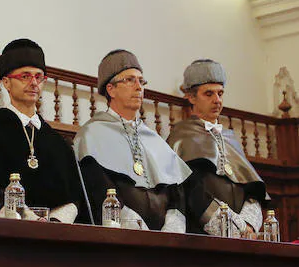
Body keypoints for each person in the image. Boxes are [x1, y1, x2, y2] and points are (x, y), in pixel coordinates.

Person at [0, 39, 83, 221]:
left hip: (53, 237)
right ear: (6, 82)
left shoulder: (57, 142)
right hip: (2, 235)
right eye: (25, 76)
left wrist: (52, 223)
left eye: (39, 77)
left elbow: (73, 198)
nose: (34, 83)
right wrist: (28, 220)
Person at [73, 50, 190, 231]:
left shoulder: (154, 139)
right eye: (129, 80)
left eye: (141, 81)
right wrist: (133, 225)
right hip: (122, 238)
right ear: (110, 89)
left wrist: (172, 227)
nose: (139, 87)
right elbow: (98, 187)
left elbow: (176, 192)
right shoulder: (92, 134)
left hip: (166, 243)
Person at [167, 59, 268, 236]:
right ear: (191, 97)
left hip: (243, 234)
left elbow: (251, 188)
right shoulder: (181, 136)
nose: (217, 100)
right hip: (203, 237)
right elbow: (190, 190)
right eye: (209, 94)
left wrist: (248, 225)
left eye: (220, 93)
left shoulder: (231, 138)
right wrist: (231, 228)